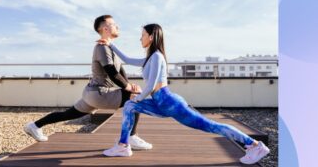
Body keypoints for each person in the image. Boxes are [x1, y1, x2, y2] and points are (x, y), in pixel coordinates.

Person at [100, 23, 270, 164]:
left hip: (170, 103)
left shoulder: (157, 56)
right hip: (161, 103)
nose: (140, 38)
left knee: (211, 126)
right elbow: (128, 60)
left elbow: (151, 84)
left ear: (151, 37)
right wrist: (110, 45)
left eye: (142, 35)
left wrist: (138, 97)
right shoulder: (150, 57)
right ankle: (123, 146)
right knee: (129, 106)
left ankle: (255, 145)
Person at [24, 15, 152, 150]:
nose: (117, 26)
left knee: (68, 114)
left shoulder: (109, 47)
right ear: (105, 28)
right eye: (114, 24)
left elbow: (120, 72)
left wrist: (129, 86)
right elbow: (111, 72)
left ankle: (34, 126)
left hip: (92, 93)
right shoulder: (102, 48)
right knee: (136, 98)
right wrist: (129, 88)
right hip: (99, 93)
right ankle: (131, 137)